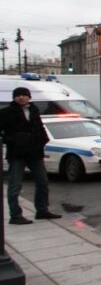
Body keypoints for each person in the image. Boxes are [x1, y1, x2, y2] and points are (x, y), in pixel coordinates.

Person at [1, 87, 60, 225]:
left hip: (35, 152)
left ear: (29, 97)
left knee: (42, 182)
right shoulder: (6, 112)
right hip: (17, 154)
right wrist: (13, 140)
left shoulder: (34, 110)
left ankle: (42, 210)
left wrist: (42, 140)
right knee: (15, 185)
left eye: (24, 95)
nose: (21, 97)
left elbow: (39, 128)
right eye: (18, 95)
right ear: (14, 98)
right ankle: (15, 215)